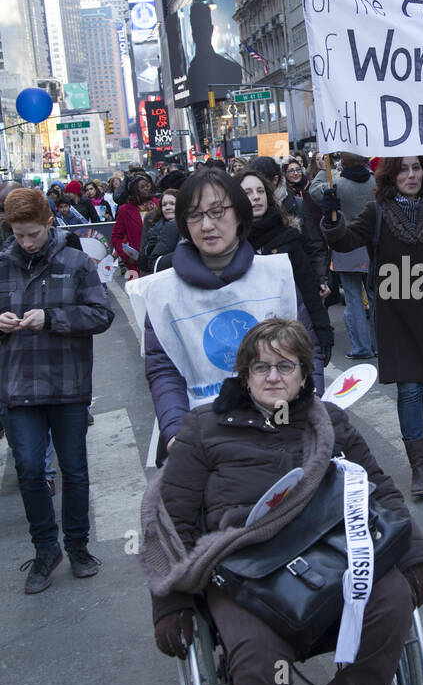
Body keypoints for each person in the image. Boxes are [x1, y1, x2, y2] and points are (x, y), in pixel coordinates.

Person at [139, 316, 423, 685]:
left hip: (328, 558)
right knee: (254, 657)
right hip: (244, 571)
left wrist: (414, 552)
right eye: (261, 366)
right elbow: (170, 523)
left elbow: (379, 489)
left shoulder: (330, 423)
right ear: (244, 374)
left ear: (303, 376)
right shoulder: (205, 429)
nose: (273, 376)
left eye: (285, 366)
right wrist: (169, 604)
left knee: (392, 598)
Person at [134, 169, 325, 464]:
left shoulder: (275, 275)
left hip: (281, 431)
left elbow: (307, 352)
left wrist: (309, 408)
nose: (207, 225)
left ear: (239, 215)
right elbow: (163, 370)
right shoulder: (162, 292)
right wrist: (175, 431)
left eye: (217, 211)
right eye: (195, 215)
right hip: (204, 441)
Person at [321, 156, 423, 499]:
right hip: (394, 312)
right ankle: (418, 466)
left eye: (416, 168)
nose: (410, 175)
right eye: (403, 169)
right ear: (391, 175)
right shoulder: (377, 212)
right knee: (410, 388)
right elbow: (344, 241)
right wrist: (332, 218)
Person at [0, 189, 114, 592]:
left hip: (68, 384)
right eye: (19, 235)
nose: (27, 242)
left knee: (75, 470)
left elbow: (101, 314)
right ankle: (46, 549)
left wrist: (51, 318)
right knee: (30, 470)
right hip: (18, 387)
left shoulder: (76, 262)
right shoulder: (2, 265)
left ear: (49, 223)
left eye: (33, 234)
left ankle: (78, 546)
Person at [240, 170, 334, 365]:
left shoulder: (288, 236)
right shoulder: (230, 244)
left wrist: (323, 331)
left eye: (260, 191)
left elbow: (308, 288)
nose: (256, 197)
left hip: (289, 334)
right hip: (246, 339)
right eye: (247, 192)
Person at [309, 153, 377, 358]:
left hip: (346, 244)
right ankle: (379, 344)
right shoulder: (375, 181)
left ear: (343, 162)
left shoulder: (336, 184)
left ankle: (361, 347)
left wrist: (325, 170)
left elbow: (314, 191)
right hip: (372, 246)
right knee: (375, 298)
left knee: (354, 300)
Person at [250, 156, 330, 296]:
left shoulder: (296, 204)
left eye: (261, 184)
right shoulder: (247, 208)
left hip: (298, 283)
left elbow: (314, 245)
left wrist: (321, 278)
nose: (256, 195)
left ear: (275, 180)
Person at [112, 174, 157, 278]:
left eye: (148, 186)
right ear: (134, 191)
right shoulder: (125, 210)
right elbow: (116, 237)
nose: (146, 189)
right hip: (137, 264)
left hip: (158, 259)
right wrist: (126, 257)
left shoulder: (158, 204)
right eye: (142, 187)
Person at [139, 188, 178, 277]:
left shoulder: (189, 226)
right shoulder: (153, 227)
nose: (168, 207)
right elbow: (144, 261)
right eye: (164, 205)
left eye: (172, 204)